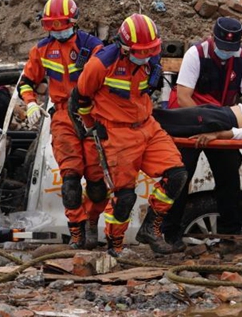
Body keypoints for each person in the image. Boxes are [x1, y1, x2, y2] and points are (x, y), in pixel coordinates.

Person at [71, 13, 188, 256]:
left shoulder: (151, 58)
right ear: (124, 47)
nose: (146, 55)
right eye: (140, 51)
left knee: (176, 175)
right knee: (124, 197)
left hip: (147, 126)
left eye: (150, 50)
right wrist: (92, 125)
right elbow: (80, 98)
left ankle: (150, 228)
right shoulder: (101, 64)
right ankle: (115, 247)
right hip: (116, 133)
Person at [16, 0, 107, 249]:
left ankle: (91, 222)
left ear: (73, 21)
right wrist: (31, 102)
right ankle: (76, 232)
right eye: (51, 25)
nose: (56, 30)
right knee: (70, 180)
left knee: (97, 183)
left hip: (91, 114)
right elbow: (26, 81)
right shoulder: (43, 50)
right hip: (63, 117)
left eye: (61, 24)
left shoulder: (93, 47)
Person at [163, 17, 242, 249]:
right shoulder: (195, 55)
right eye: (223, 48)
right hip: (189, 121)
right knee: (179, 176)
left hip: (222, 125)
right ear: (213, 39)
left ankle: (229, 235)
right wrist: (211, 126)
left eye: (231, 49)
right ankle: (169, 235)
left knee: (229, 177)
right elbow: (185, 96)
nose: (227, 52)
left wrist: (228, 130)